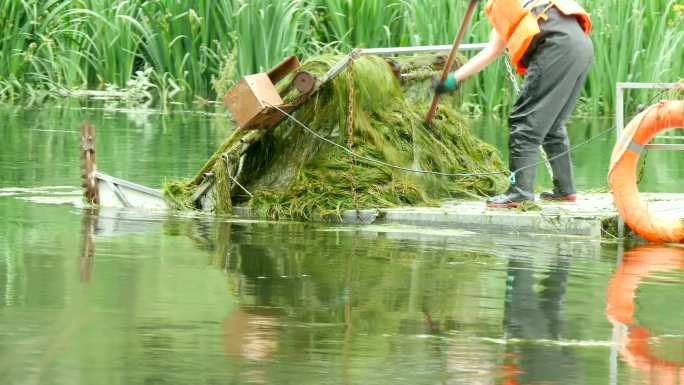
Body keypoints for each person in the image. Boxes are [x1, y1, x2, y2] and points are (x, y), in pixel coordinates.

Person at [433, 0, 594, 208]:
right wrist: (454, 79)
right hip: (581, 46)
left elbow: (492, 51)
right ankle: (565, 190)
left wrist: (453, 79)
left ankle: (520, 192)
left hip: (555, 46)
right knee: (552, 126)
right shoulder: (514, 6)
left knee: (524, 123)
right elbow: (493, 50)